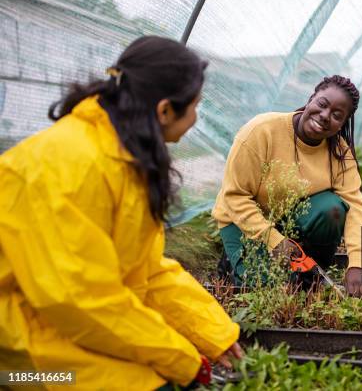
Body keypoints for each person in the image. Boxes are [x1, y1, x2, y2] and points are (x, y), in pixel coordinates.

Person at [0, 36, 242, 390]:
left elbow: (146, 270)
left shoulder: (122, 157)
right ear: (164, 111)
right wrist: (181, 358)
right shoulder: (70, 164)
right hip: (18, 348)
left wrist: (213, 333)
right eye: (195, 106)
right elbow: (80, 301)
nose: (196, 117)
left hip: (59, 322)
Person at [213, 75, 362, 296]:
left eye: (337, 115)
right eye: (322, 104)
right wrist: (275, 241)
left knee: (332, 208)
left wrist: (357, 264)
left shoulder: (339, 154)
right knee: (270, 291)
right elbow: (234, 196)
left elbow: (355, 208)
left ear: (343, 123)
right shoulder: (261, 131)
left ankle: (308, 277)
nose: (325, 116)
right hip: (242, 222)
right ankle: (233, 263)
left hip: (289, 219)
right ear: (311, 97)